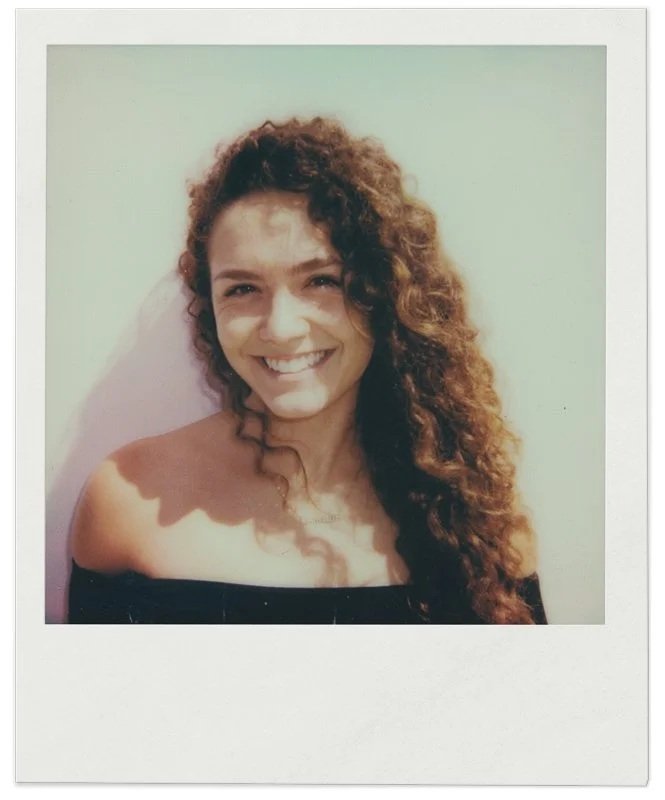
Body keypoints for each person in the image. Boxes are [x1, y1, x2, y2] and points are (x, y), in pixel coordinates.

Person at [68, 116, 547, 624]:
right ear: (210, 307)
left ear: (383, 293)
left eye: (321, 281)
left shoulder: (477, 520)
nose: (280, 328)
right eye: (243, 289)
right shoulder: (128, 503)